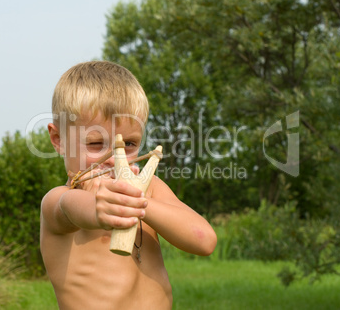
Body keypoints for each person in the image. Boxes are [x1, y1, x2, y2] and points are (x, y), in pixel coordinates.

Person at [40, 61, 217, 310]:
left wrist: (139, 202)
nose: (114, 158)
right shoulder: (59, 199)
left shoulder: (150, 190)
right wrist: (99, 206)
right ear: (58, 139)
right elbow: (71, 208)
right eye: (94, 144)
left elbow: (204, 240)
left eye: (129, 145)